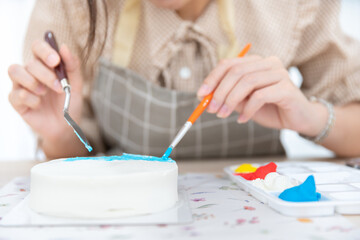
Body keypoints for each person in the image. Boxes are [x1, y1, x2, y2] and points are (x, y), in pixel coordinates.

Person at [8, 0, 360, 160]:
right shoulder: (77, 8)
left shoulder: (291, 6)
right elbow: (77, 160)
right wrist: (59, 134)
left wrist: (310, 117)